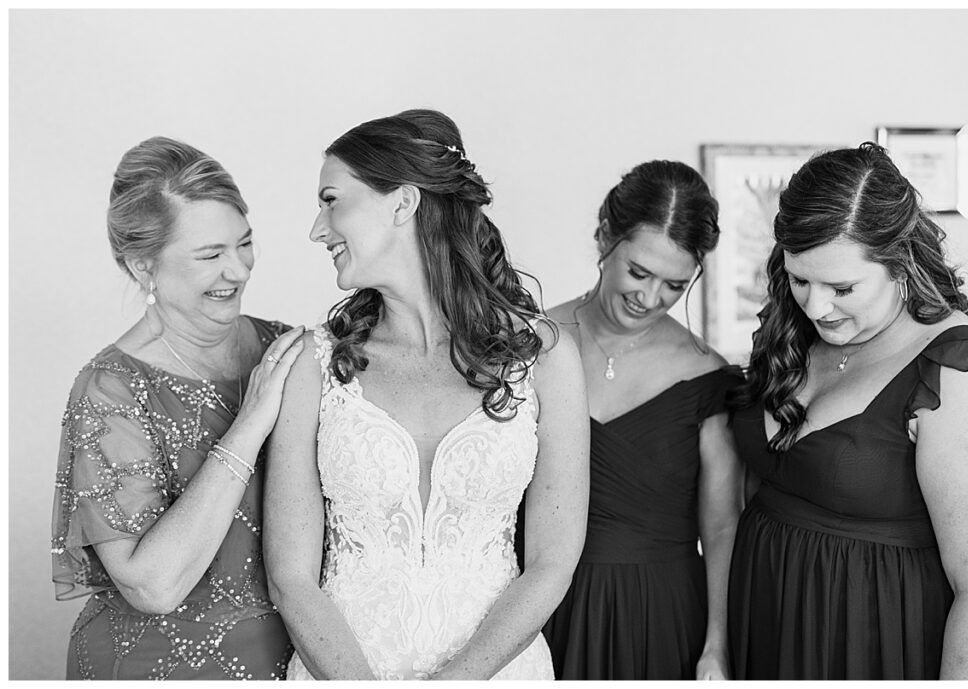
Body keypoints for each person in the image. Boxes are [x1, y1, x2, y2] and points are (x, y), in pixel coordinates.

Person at [263, 109, 589, 680]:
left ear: (403, 203)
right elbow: (290, 579)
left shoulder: (544, 359)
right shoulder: (314, 365)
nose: (317, 229)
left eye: (332, 201)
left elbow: (551, 563)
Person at [727, 142, 968, 680]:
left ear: (899, 264)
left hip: (871, 646)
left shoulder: (958, 371)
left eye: (842, 287)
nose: (816, 307)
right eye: (800, 279)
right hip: (765, 627)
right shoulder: (797, 327)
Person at [50, 137, 305, 679]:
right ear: (144, 266)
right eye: (210, 256)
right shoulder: (111, 389)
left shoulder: (285, 349)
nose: (239, 271)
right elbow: (153, 586)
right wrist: (249, 424)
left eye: (245, 243)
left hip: (296, 662)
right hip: (156, 667)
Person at [540, 160, 745, 680]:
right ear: (604, 237)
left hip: (662, 613)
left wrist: (717, 644)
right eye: (638, 273)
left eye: (675, 285)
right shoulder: (530, 345)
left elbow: (721, 526)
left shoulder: (705, 375)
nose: (650, 299)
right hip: (541, 608)